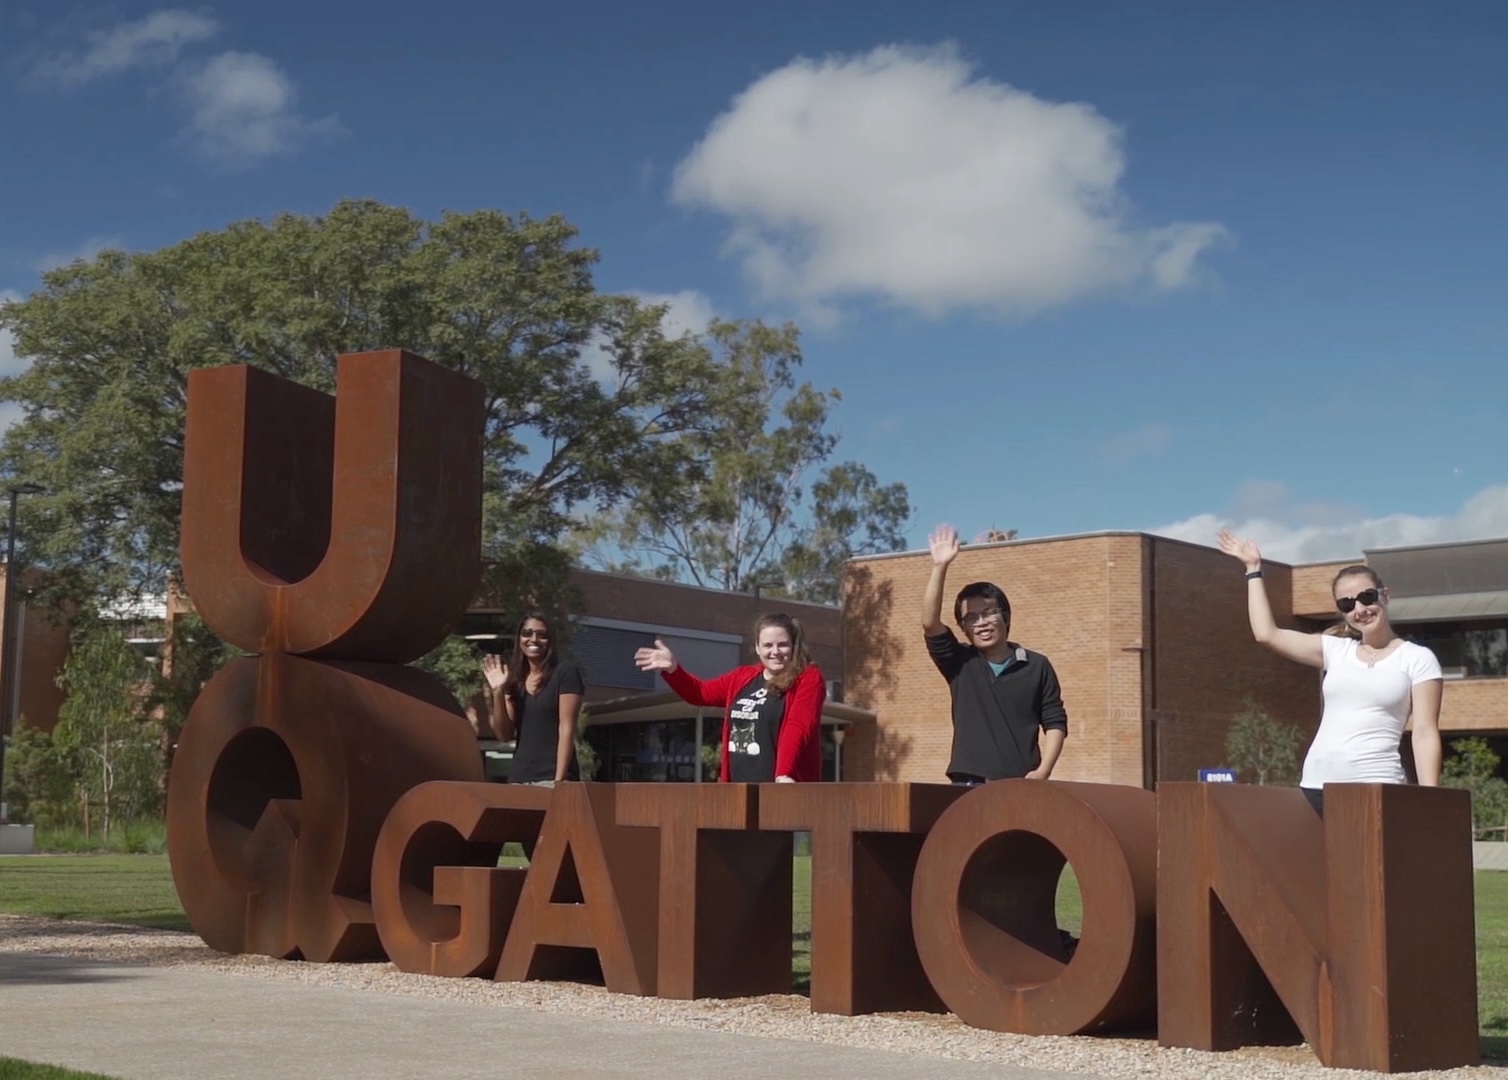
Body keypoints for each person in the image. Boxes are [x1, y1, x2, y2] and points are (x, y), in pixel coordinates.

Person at [1216, 530, 1443, 813]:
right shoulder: (1337, 651)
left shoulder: (1417, 658)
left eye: (1367, 596)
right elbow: (1266, 634)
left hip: (1376, 786)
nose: (1360, 608)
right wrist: (1253, 570)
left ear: (1385, 596)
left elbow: (1423, 733)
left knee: (1371, 859)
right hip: (1315, 787)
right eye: (1347, 604)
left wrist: (1432, 800)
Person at [921, 524, 1068, 785]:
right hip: (968, 781)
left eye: (988, 613)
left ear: (1005, 617)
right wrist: (939, 566)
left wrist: (1043, 772)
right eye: (971, 618)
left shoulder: (1037, 665)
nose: (981, 623)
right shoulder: (959, 663)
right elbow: (930, 622)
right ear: (963, 628)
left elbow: (1055, 721)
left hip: (1021, 782)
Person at [634, 613, 824, 782]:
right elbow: (700, 693)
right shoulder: (743, 677)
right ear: (757, 648)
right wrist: (673, 670)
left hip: (782, 788)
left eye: (782, 645)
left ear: (794, 647)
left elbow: (798, 725)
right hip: (738, 789)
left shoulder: (808, 678)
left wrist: (784, 774)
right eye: (767, 645)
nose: (775, 652)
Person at [483, 611, 585, 786]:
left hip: (554, 777)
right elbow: (504, 734)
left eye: (542, 635)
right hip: (520, 778)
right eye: (527, 633)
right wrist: (498, 691)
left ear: (550, 640)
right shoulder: (514, 678)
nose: (534, 639)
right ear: (519, 638)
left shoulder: (565, 672)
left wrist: (559, 781)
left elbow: (566, 729)